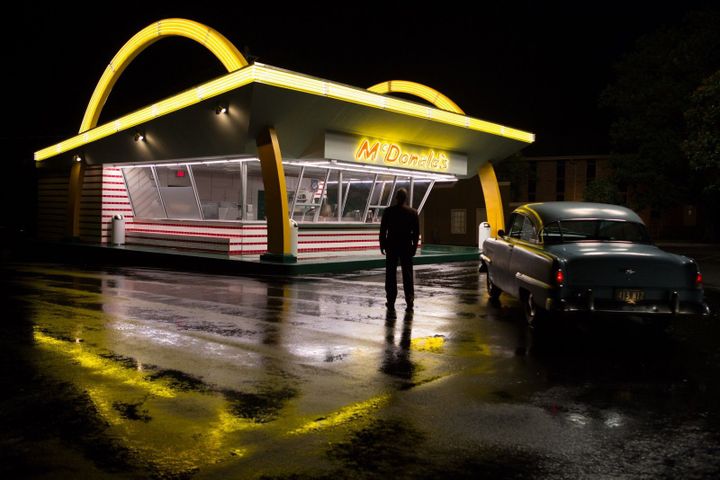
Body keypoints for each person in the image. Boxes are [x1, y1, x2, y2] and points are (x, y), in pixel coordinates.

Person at [379, 188, 419, 311]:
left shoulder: (388, 212)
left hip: (392, 246)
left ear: (396, 198)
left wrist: (382, 245)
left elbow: (383, 230)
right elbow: (416, 232)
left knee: (390, 274)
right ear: (405, 198)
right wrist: (414, 246)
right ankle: (409, 299)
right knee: (407, 273)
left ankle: (391, 300)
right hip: (406, 246)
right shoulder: (413, 213)